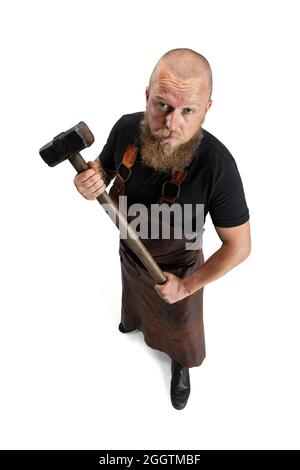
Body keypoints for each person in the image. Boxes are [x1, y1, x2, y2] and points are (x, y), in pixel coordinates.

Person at [73, 48, 251, 410]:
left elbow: (239, 246)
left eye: (188, 111)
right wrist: (90, 180)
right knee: (134, 303)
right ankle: (135, 322)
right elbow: (104, 171)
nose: (172, 124)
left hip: (180, 269)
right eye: (162, 106)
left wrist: (186, 285)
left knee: (182, 331)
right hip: (130, 254)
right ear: (147, 97)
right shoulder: (126, 128)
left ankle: (180, 364)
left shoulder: (218, 166)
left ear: (206, 109)